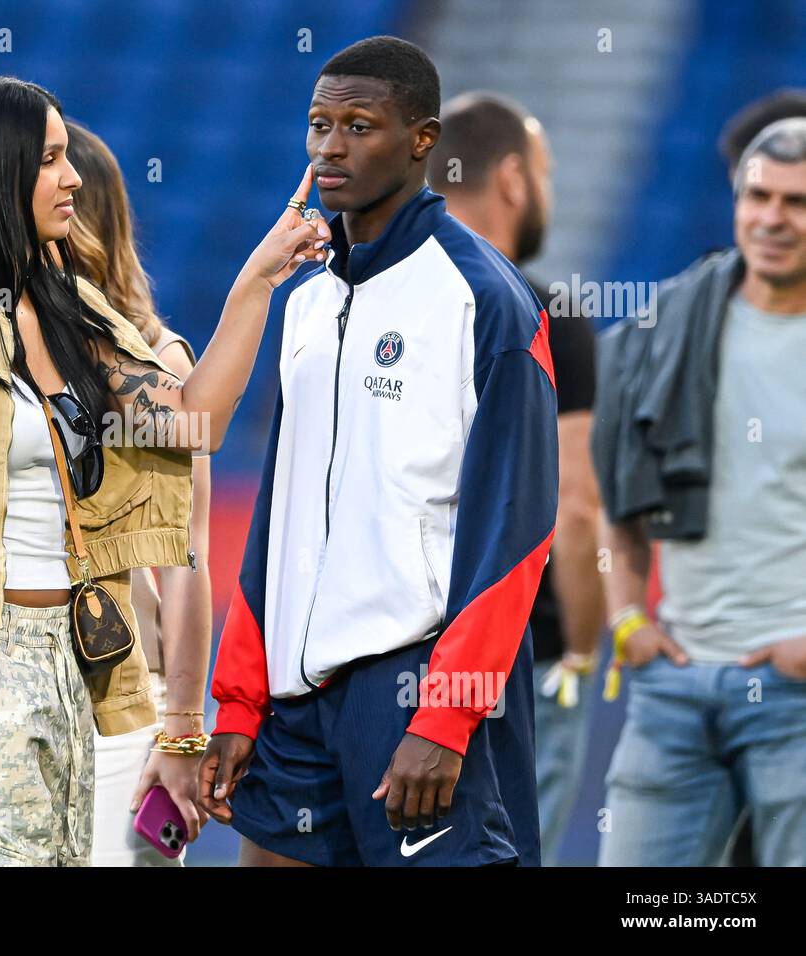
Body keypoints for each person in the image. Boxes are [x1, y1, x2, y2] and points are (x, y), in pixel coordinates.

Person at [0, 75, 329, 866]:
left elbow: (193, 424)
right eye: (49, 160)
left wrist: (257, 281)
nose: (73, 175)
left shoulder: (75, 314)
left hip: (82, 670)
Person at [199, 36, 559, 867]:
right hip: (295, 706)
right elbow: (278, 519)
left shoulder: (486, 301)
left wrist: (445, 715)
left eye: (359, 125)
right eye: (320, 124)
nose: (331, 146)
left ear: (423, 140)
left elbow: (518, 533)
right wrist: (241, 702)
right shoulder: (306, 302)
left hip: (414, 696)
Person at [593, 117, 806, 866]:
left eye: (796, 202)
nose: (773, 219)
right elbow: (619, 502)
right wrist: (626, 623)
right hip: (672, 685)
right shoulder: (670, 326)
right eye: (758, 197)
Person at [428, 92, 603, 865]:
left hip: (400, 649)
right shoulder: (548, 314)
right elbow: (576, 506)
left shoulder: (379, 300)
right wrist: (585, 652)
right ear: (511, 177)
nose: (547, 190)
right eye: (545, 171)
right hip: (516, 652)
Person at [63, 120, 214, 865]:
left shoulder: (154, 358)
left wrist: (184, 729)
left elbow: (185, 561)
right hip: (10, 694)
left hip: (120, 695)